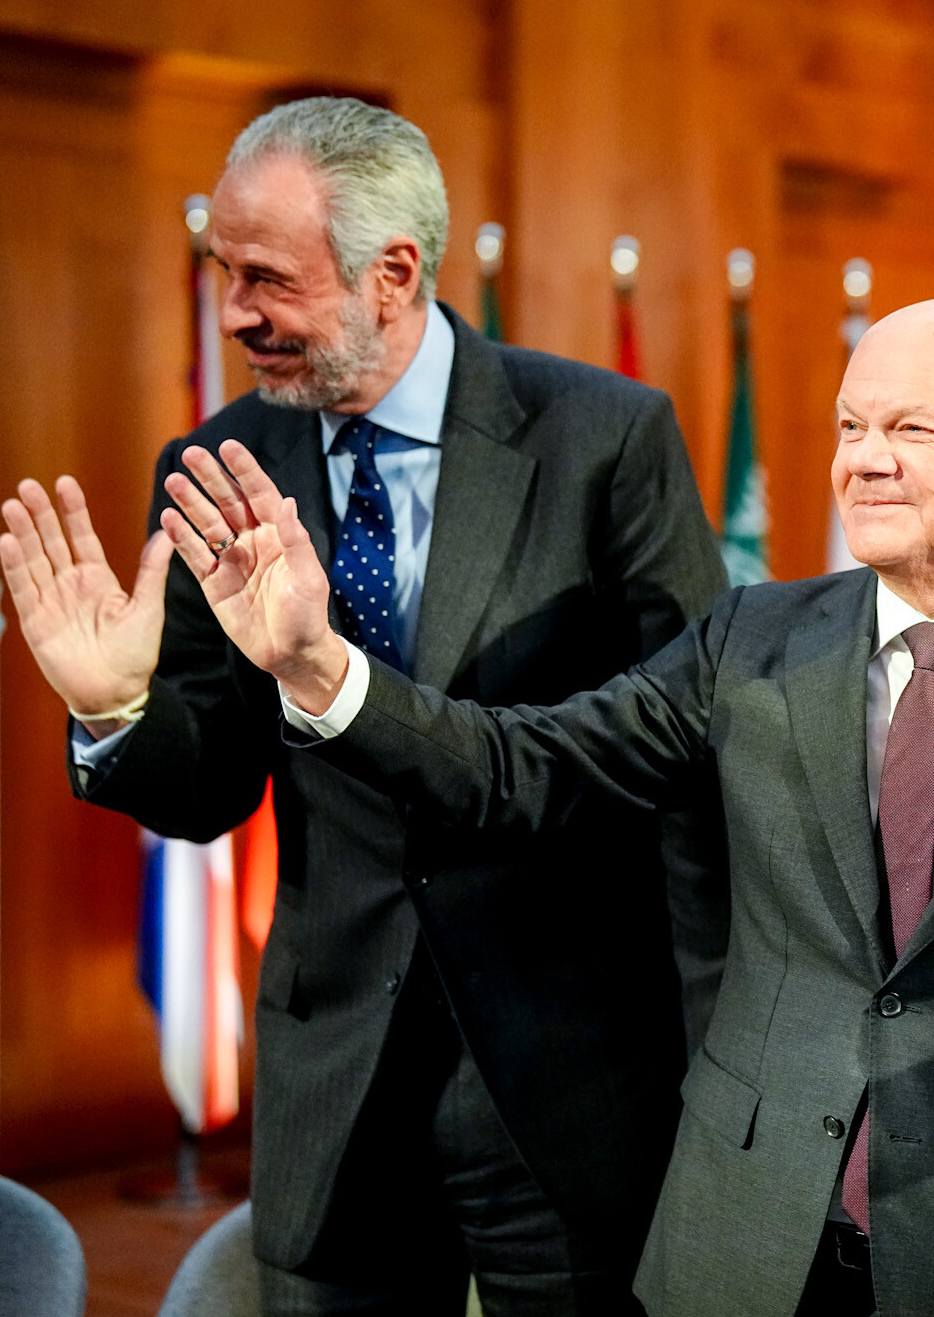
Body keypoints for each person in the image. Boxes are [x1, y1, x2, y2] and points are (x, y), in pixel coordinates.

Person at [134, 293, 934, 1317]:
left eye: (909, 429)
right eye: (848, 427)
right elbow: (519, 767)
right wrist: (317, 670)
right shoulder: (749, 641)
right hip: (739, 1254)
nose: (861, 460)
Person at [0, 98, 727, 1313]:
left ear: (392, 274)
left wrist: (718, 1038)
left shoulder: (605, 437)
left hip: (570, 1083)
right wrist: (118, 707)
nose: (234, 313)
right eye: (224, 273)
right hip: (337, 1084)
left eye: (266, 280)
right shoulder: (219, 464)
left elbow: (684, 755)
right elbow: (213, 779)